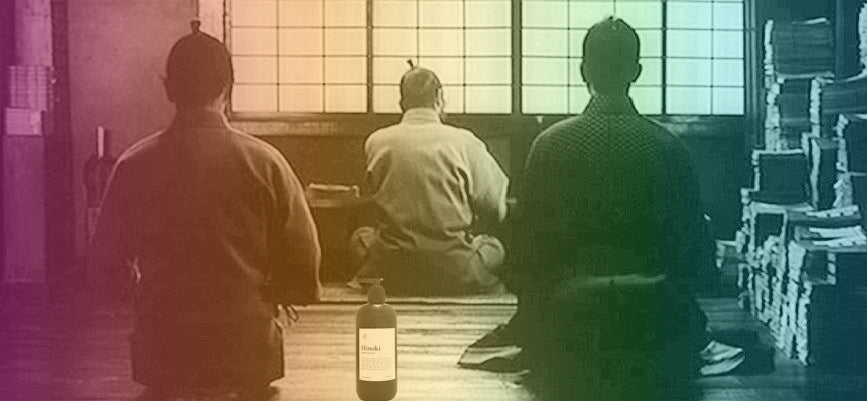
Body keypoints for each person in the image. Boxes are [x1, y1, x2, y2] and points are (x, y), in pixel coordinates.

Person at [468, 17, 718, 398]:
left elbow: (525, 249)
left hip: (569, 316)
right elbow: (695, 253)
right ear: (637, 71)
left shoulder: (550, 145)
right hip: (651, 317)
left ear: (583, 70)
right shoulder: (668, 147)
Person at [87, 22, 320, 401]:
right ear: (229, 87)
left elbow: (104, 267)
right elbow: (304, 263)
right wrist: (268, 295)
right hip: (247, 354)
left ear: (168, 88)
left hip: (164, 355)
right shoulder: (266, 163)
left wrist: (149, 295)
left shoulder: (133, 165)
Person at [349, 62, 510, 295]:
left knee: (360, 238)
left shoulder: (377, 141)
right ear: (439, 98)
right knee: (494, 247)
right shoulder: (465, 141)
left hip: (392, 269)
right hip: (454, 268)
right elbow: (496, 209)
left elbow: (369, 200)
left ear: (402, 103)